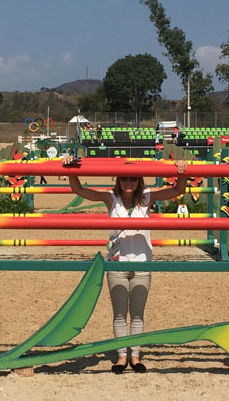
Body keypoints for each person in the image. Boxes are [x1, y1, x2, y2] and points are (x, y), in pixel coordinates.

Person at [65, 156, 188, 374]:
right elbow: (79, 190)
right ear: (118, 181)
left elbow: (178, 190)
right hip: (117, 264)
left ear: (139, 180)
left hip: (143, 264)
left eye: (133, 178)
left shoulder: (147, 197)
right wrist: (70, 168)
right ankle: (122, 356)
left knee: (138, 313)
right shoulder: (110, 198)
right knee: (120, 314)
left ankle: (135, 355)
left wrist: (181, 171)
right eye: (124, 178)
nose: (128, 182)